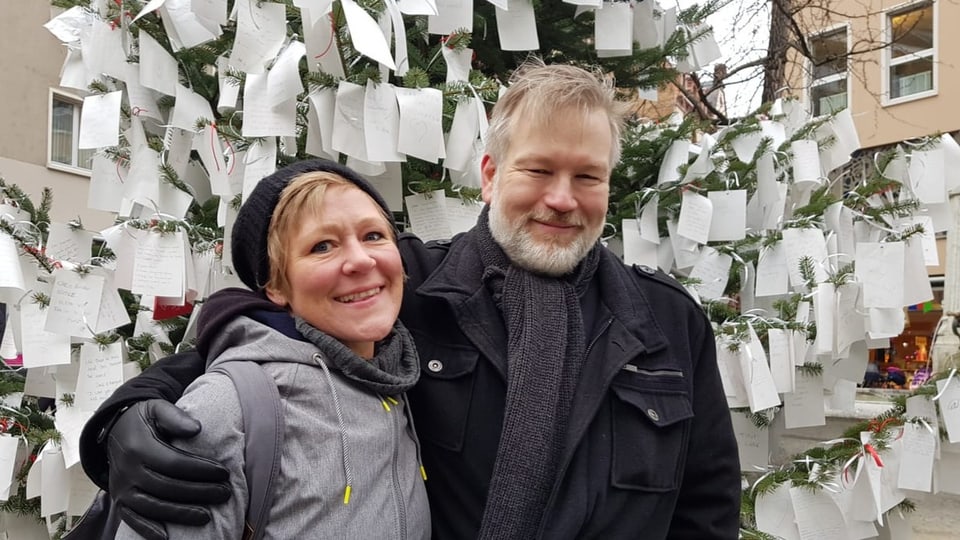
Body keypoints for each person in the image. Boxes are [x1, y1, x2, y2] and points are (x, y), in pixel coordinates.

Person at [79, 60, 740, 539]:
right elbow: (262, 335)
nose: (562, 198)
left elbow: (705, 510)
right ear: (489, 175)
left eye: (586, 176)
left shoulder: (667, 322)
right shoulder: (410, 287)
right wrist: (126, 418)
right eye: (538, 170)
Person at [112, 161, 430, 538]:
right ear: (276, 288)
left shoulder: (395, 379)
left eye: (374, 235)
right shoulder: (228, 408)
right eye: (322, 246)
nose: (362, 260)